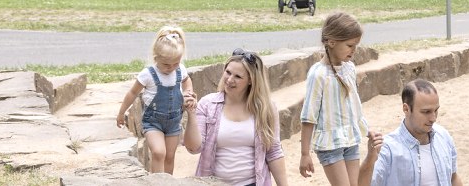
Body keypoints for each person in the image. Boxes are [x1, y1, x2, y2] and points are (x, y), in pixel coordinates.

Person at [185, 48, 291, 186]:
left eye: (238, 76)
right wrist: (191, 114)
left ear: (250, 80)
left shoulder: (266, 108)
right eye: (228, 72)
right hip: (214, 182)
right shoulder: (207, 104)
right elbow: (194, 148)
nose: (229, 80)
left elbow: (274, 152)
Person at [116, 25, 196, 174]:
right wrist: (121, 113)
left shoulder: (180, 70)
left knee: (170, 157)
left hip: (173, 123)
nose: (171, 68)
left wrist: (188, 92)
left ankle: (168, 182)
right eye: (166, 64)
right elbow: (132, 93)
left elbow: (187, 81)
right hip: (153, 122)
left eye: (176, 63)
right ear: (156, 57)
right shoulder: (148, 74)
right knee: (159, 153)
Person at [300, 12, 369, 186]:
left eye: (356, 45)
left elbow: (354, 106)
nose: (354, 50)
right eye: (350, 45)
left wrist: (367, 130)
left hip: (350, 139)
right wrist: (304, 154)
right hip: (329, 145)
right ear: (331, 42)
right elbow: (309, 116)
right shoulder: (318, 75)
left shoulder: (349, 68)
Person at [357, 79, 461, 186]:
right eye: (426, 112)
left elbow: (453, 178)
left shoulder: (443, 136)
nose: (433, 118)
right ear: (406, 109)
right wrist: (369, 160)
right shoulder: (388, 149)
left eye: (436, 110)